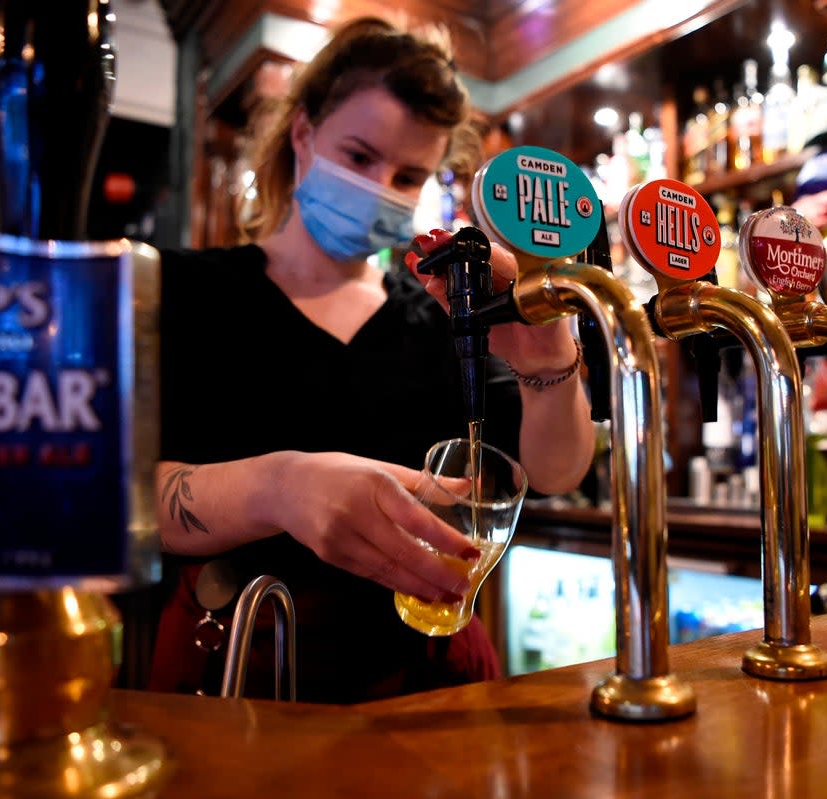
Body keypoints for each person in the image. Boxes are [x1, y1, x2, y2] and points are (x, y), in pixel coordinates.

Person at [148, 16, 595, 704]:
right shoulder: (187, 289)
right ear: (302, 134)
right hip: (243, 669)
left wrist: (546, 358)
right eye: (359, 158)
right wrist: (281, 487)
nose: (382, 186)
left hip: (425, 680)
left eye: (409, 174)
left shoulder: (443, 313)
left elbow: (556, 470)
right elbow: (126, 496)